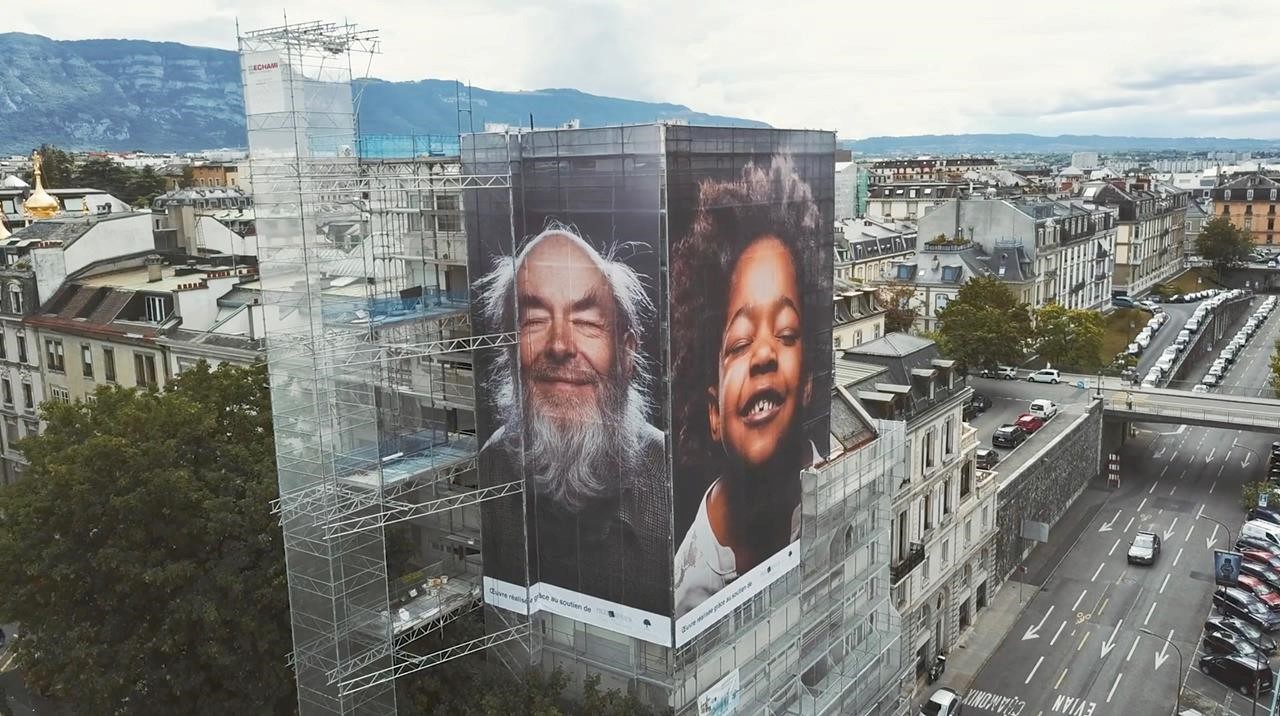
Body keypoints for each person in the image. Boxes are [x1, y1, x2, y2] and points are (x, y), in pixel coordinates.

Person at [473, 225, 670, 614]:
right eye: (533, 321)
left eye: (586, 323)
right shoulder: (494, 464)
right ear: (508, 350)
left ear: (627, 352)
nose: (560, 345)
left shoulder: (671, 477)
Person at [671, 156, 824, 618]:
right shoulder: (684, 596)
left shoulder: (843, 492)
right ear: (714, 413)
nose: (763, 355)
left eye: (786, 333)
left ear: (810, 384)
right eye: (739, 343)